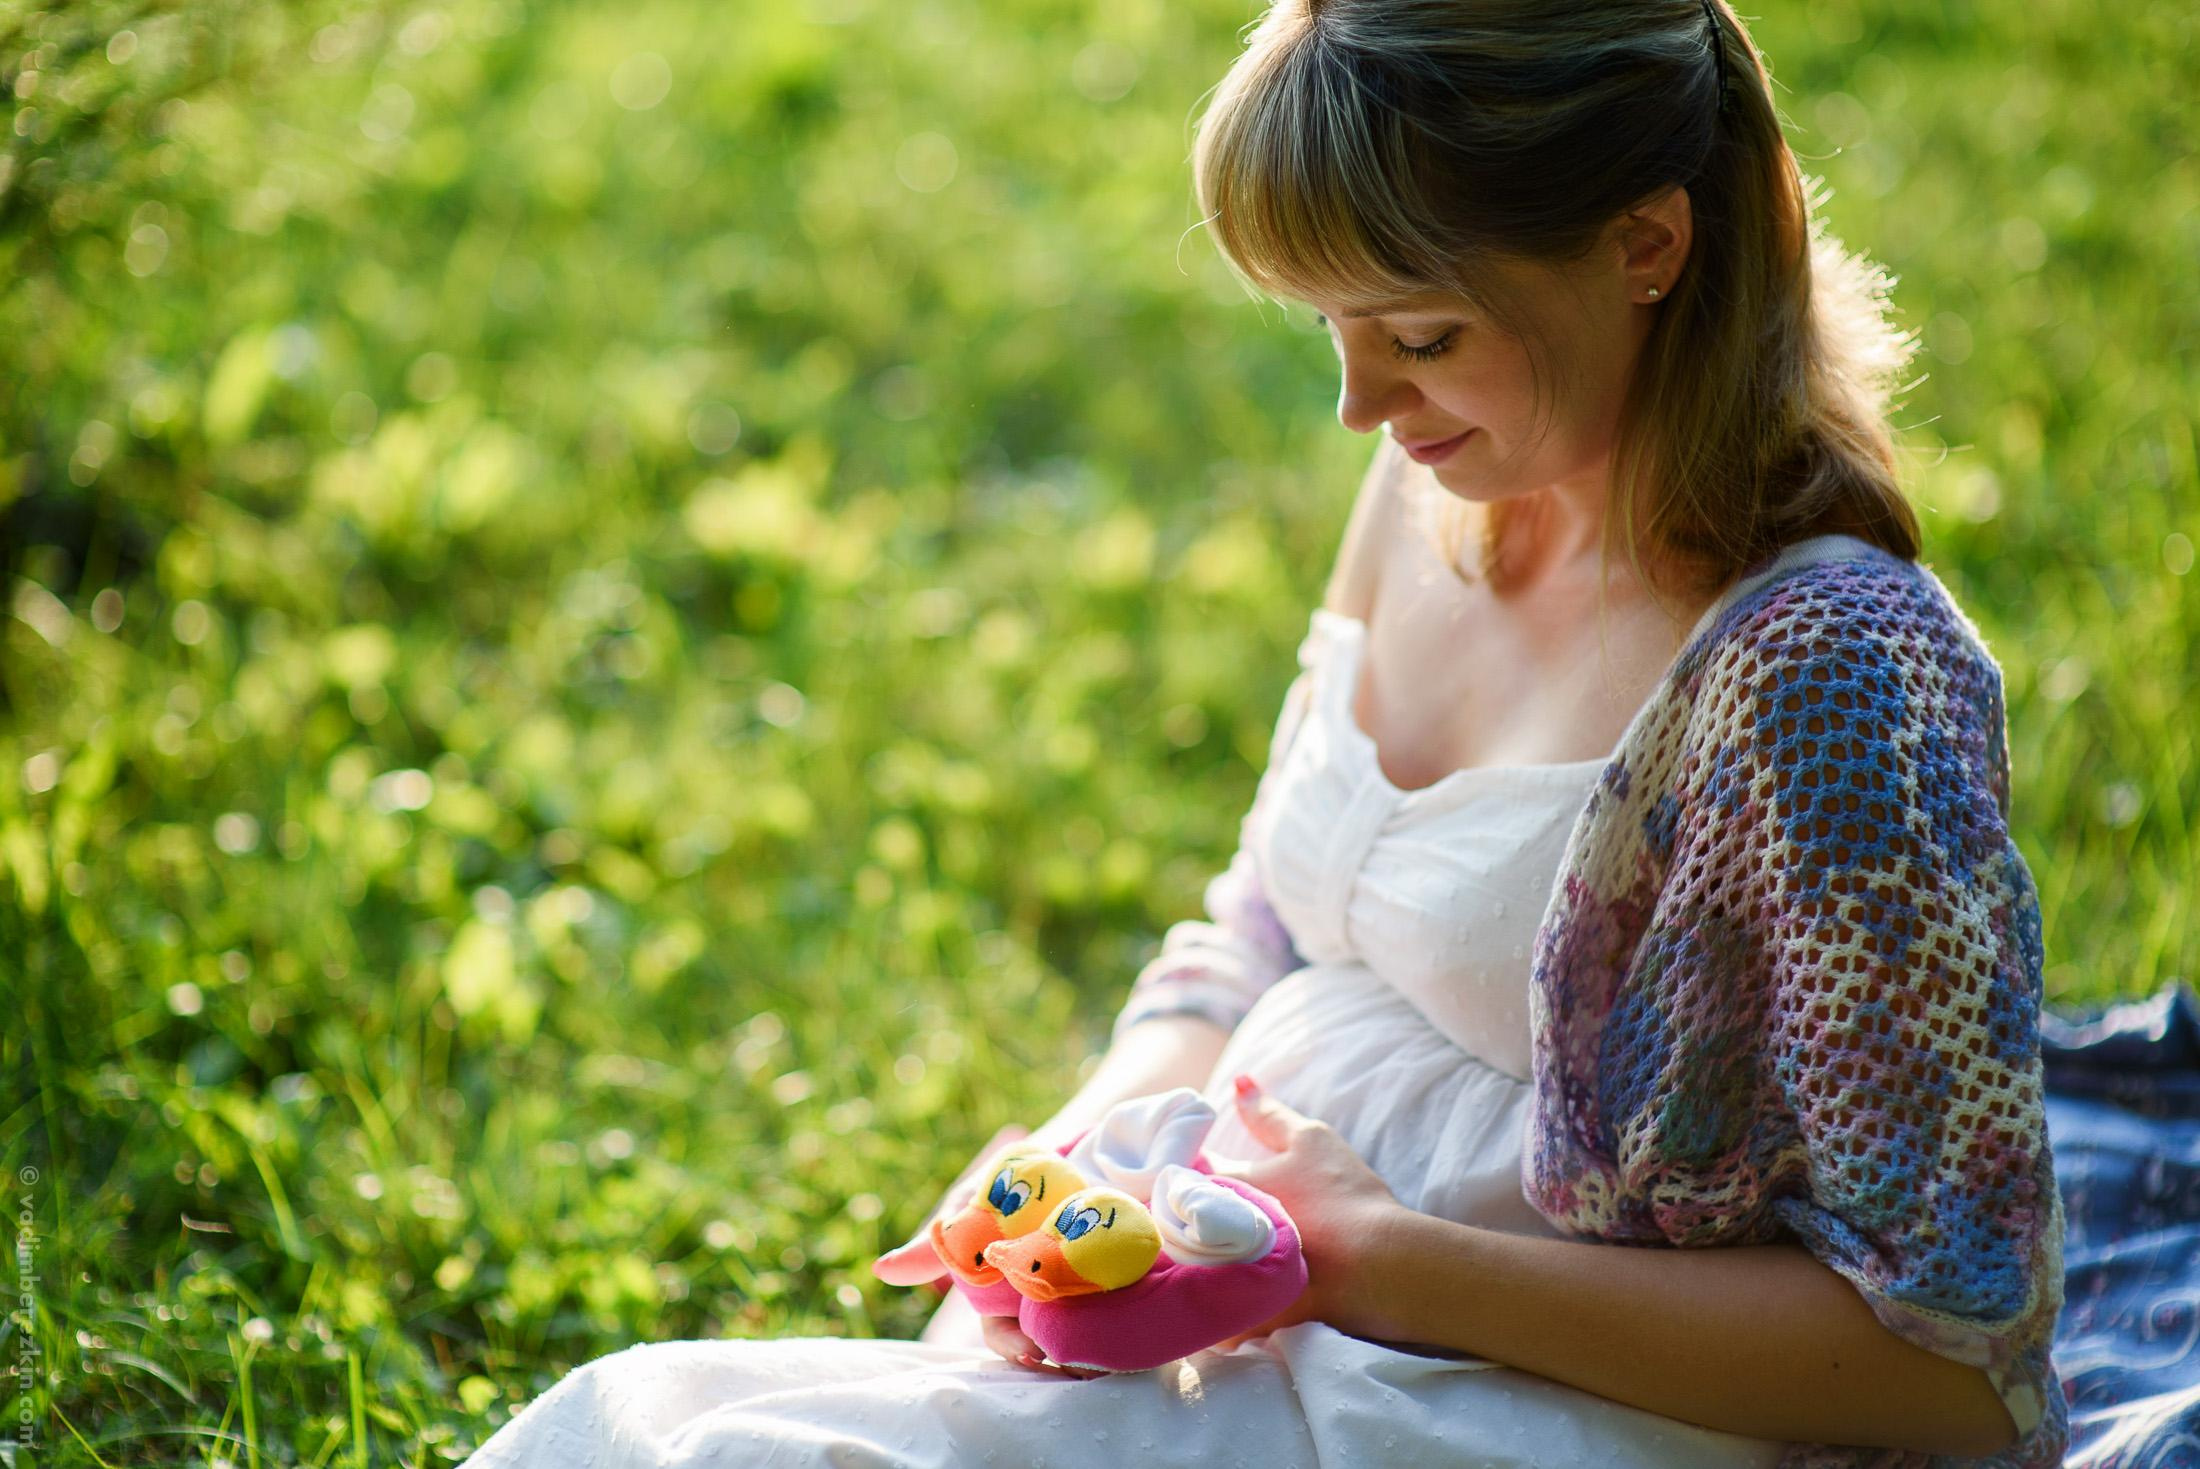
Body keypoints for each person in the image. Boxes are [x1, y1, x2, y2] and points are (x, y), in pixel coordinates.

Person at [458, 0, 2068, 1464]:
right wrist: (1074, 1157)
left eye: (1420, 335)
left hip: (1551, 1396)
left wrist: (1381, 1260)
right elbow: (1267, 924)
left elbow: (1952, 1368)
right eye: (1330, 333)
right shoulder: (1448, 481)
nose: (1362, 409)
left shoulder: (1832, 682)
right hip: (1255, 1277)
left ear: (1647, 242)